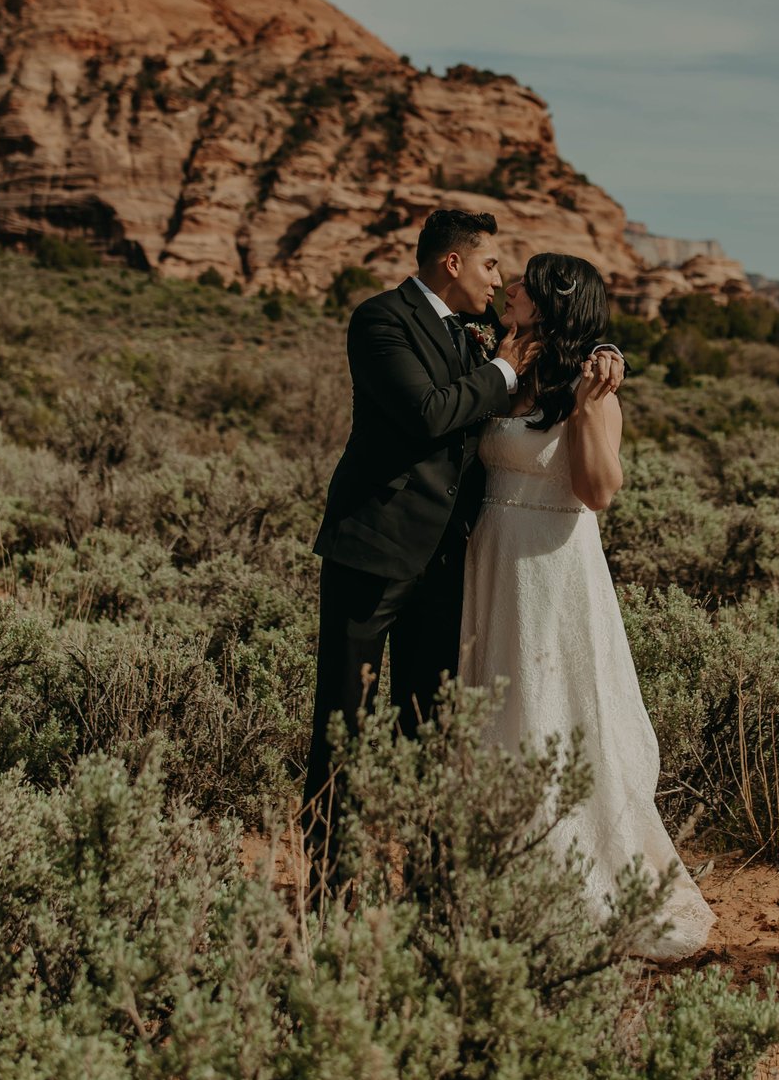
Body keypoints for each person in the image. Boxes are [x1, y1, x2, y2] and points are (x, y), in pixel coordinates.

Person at [302, 208, 623, 881]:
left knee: (431, 729)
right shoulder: (381, 319)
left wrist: (609, 354)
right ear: (454, 263)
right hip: (375, 548)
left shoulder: (486, 337)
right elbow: (428, 413)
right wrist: (502, 371)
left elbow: (571, 345)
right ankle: (332, 880)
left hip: (454, 565)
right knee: (344, 726)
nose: (499, 279)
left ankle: (427, 876)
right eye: (490, 265)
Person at [461, 250, 714, 959]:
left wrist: (587, 406)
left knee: (552, 708)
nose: (508, 286)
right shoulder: (503, 362)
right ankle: (492, 875)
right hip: (492, 557)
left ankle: (567, 879)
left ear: (549, 301)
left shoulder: (591, 389)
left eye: (524, 283)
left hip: (554, 568)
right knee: (497, 709)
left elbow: (600, 490)